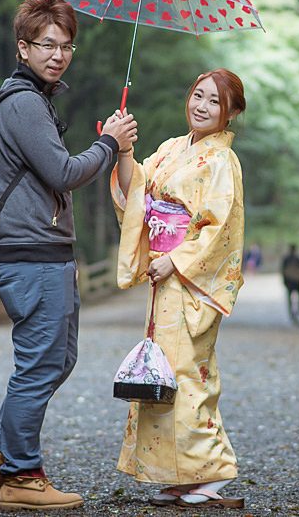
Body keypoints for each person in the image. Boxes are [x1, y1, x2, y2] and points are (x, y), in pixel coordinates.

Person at [0, 0, 137, 512]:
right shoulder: (22, 103)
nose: (58, 55)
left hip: (42, 253)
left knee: (58, 358)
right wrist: (108, 143)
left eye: (66, 46)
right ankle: (21, 475)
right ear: (23, 47)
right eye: (47, 45)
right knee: (40, 366)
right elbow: (64, 173)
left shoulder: (30, 100)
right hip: (34, 256)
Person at [110, 68, 246, 509]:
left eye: (214, 102)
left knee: (189, 375)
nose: (201, 106)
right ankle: (181, 474)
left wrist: (177, 259)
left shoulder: (222, 161)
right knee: (163, 373)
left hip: (190, 281)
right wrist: (124, 150)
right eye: (198, 95)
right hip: (163, 279)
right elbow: (136, 195)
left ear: (231, 113)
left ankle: (211, 472)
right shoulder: (170, 149)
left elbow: (220, 227)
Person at [281, 244, 299, 325]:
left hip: (289, 282)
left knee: (290, 299)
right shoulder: (298, 259)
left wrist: (284, 281)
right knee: (298, 298)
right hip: (297, 281)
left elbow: (283, 271)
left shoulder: (287, 259)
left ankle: (292, 314)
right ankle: (297, 313)